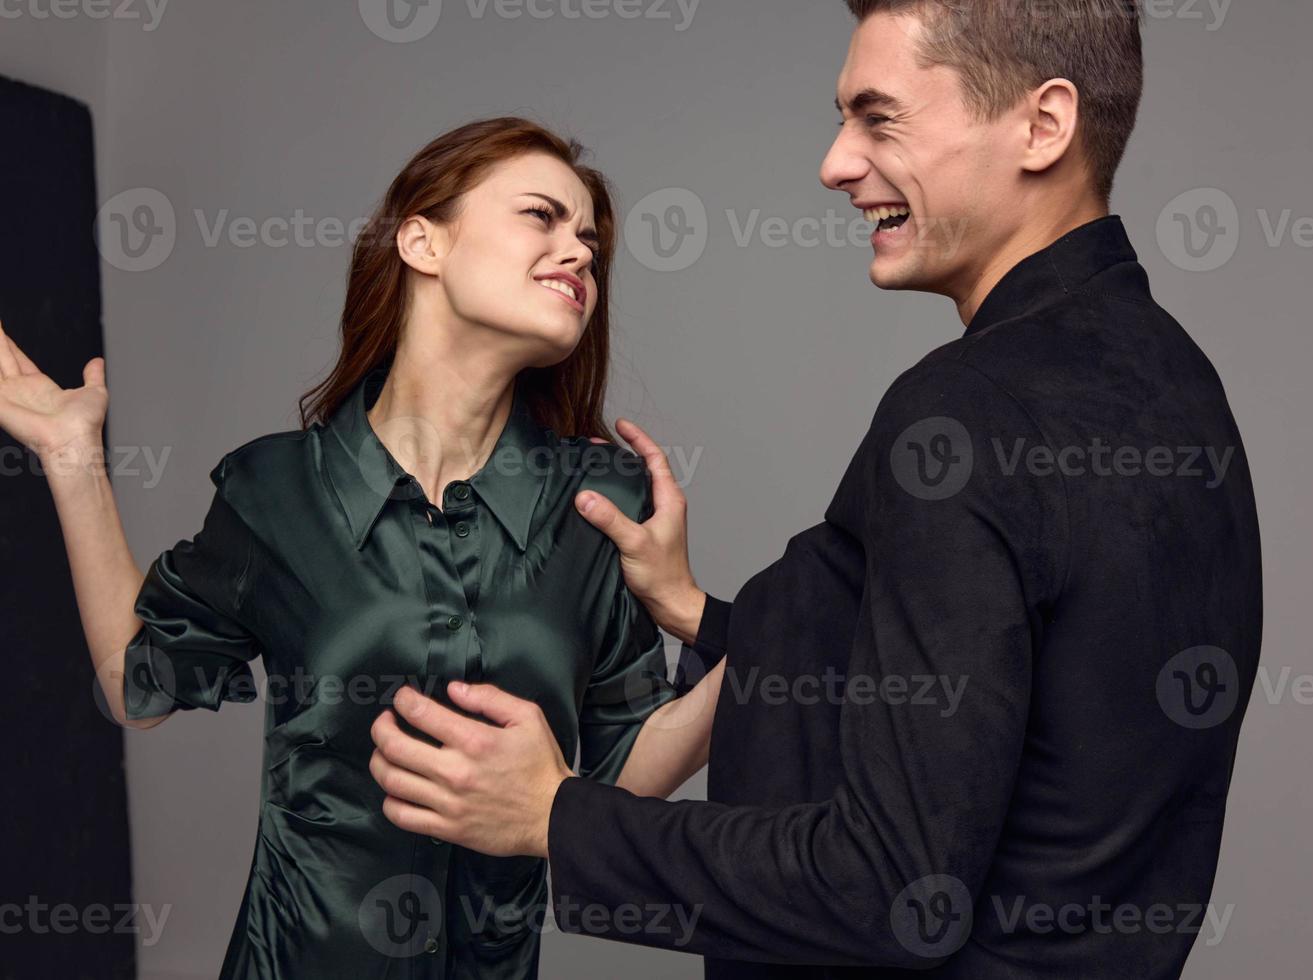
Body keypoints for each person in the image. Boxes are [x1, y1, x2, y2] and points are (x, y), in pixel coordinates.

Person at [368, 3, 1264, 978]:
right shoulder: (1179, 382)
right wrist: (699, 611)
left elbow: (883, 889)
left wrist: (558, 815)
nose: (835, 163)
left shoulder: (966, 413)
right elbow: (997, 675)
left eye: (879, 119)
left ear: (1042, 125)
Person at [0, 117, 724, 979]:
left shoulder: (605, 506)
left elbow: (614, 786)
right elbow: (140, 683)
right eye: (543, 216)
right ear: (422, 239)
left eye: (591, 244)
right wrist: (72, 459)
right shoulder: (276, 493)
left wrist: (784, 632)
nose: (579, 254)